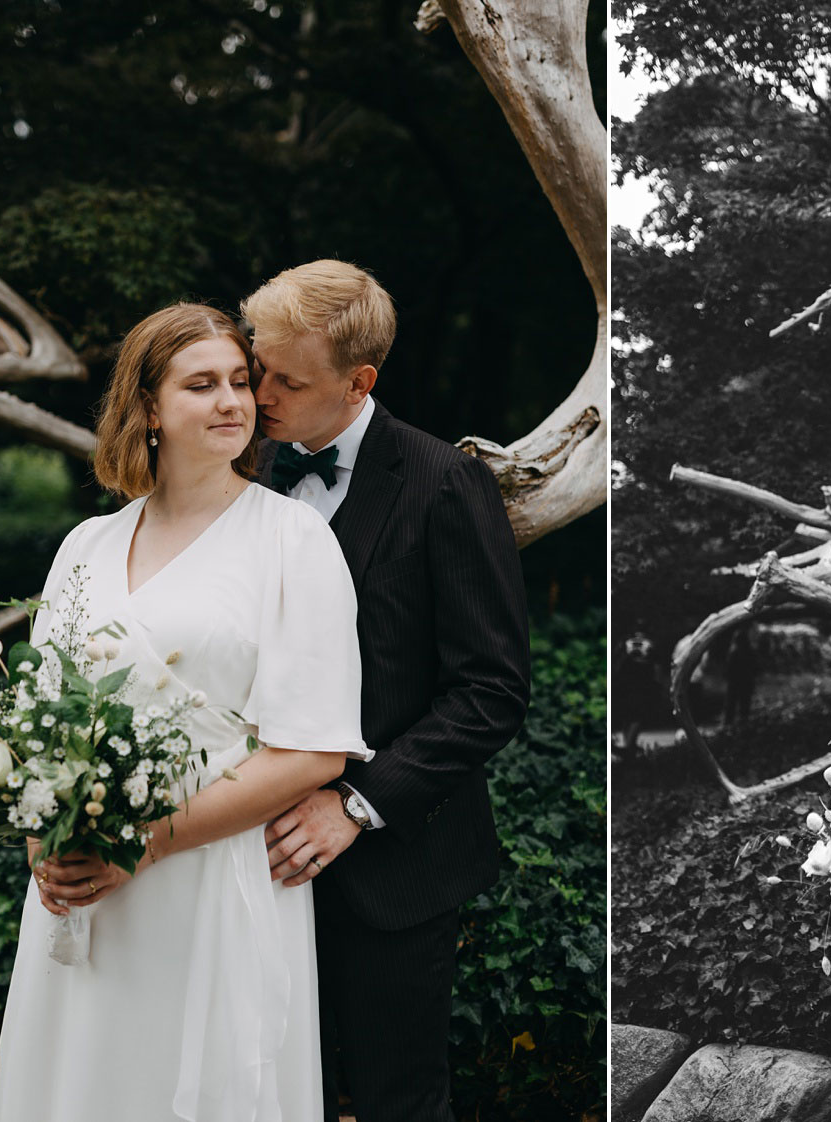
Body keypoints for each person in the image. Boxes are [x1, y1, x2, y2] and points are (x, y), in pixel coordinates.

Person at [0, 303, 367, 1121]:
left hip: (209, 877)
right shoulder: (85, 545)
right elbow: (35, 719)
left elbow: (312, 753)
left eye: (240, 381)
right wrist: (43, 842)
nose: (233, 401)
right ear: (148, 407)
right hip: (80, 882)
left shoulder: (293, 541)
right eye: (202, 385)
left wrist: (145, 843)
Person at [241, 260, 531, 1122]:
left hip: (390, 867)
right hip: (248, 854)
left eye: (286, 379)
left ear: (359, 382)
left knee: (397, 1103)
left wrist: (357, 806)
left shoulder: (445, 484)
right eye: (258, 365)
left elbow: (491, 690)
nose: (257, 392)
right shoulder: (244, 474)